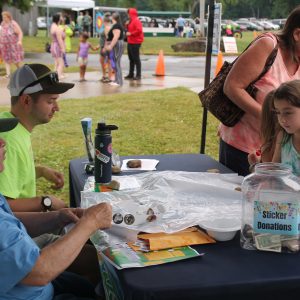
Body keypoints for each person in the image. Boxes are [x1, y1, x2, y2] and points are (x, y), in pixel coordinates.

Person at [0, 117, 112, 299]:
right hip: (31, 290)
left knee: (90, 279)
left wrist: (57, 217)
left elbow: (12, 219)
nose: (3, 142)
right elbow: (39, 272)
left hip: (32, 283)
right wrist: (90, 223)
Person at [218, 5, 300, 176]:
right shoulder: (267, 45)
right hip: (243, 147)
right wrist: (271, 118)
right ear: (297, 34)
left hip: (276, 153)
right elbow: (232, 86)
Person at [0, 64, 74, 213]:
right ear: (26, 101)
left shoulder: (11, 124)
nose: (57, 108)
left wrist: (41, 171)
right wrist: (46, 202)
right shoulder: (9, 140)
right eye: (50, 101)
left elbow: (15, 174)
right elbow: (4, 208)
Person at [249, 80, 300, 176]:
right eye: (278, 112)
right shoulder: (283, 137)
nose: (282, 119)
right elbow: (274, 174)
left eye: (288, 113)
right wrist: (255, 165)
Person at [0, 11, 24, 78]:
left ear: (8, 17)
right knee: (6, 60)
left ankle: (21, 72)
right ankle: (8, 74)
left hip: (13, 46)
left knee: (16, 61)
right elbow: (1, 34)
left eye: (5, 17)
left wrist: (20, 41)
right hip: (5, 46)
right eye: (3, 17)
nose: (3, 18)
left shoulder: (13, 23)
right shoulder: (2, 24)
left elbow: (20, 33)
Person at [124, 8, 144, 81]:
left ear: (131, 14)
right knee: (131, 59)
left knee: (136, 59)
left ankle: (138, 75)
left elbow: (139, 30)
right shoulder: (131, 21)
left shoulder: (136, 21)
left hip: (136, 42)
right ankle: (131, 74)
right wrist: (126, 25)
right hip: (130, 41)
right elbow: (127, 30)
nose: (128, 15)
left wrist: (131, 33)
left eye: (128, 13)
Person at [105, 12, 124, 86]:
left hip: (117, 44)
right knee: (116, 62)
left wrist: (111, 46)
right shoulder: (116, 25)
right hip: (117, 44)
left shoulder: (117, 26)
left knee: (117, 63)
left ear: (113, 18)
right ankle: (116, 80)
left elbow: (116, 37)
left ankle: (119, 82)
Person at [50, 14, 66, 79]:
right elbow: (60, 40)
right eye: (61, 17)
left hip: (53, 45)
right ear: (59, 19)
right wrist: (63, 48)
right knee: (61, 63)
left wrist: (63, 30)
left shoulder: (53, 26)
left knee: (56, 62)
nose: (62, 18)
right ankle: (58, 76)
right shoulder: (57, 28)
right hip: (57, 46)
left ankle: (54, 76)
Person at [99, 13, 113, 83]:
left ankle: (109, 77)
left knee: (108, 62)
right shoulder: (108, 27)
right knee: (102, 61)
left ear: (104, 21)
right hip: (103, 46)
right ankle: (105, 75)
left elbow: (108, 38)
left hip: (105, 47)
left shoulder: (107, 27)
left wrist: (104, 47)